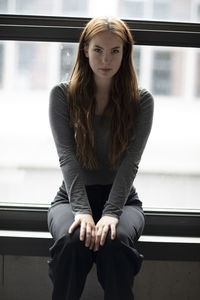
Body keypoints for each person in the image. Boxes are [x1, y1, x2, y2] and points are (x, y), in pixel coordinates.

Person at [47, 16, 154, 300]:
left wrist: (111, 212)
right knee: (73, 241)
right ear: (85, 50)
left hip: (122, 200)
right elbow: (67, 158)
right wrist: (82, 211)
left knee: (114, 243)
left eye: (115, 51)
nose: (106, 59)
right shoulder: (61, 95)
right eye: (98, 50)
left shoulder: (142, 101)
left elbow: (131, 163)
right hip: (71, 198)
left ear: (125, 53)